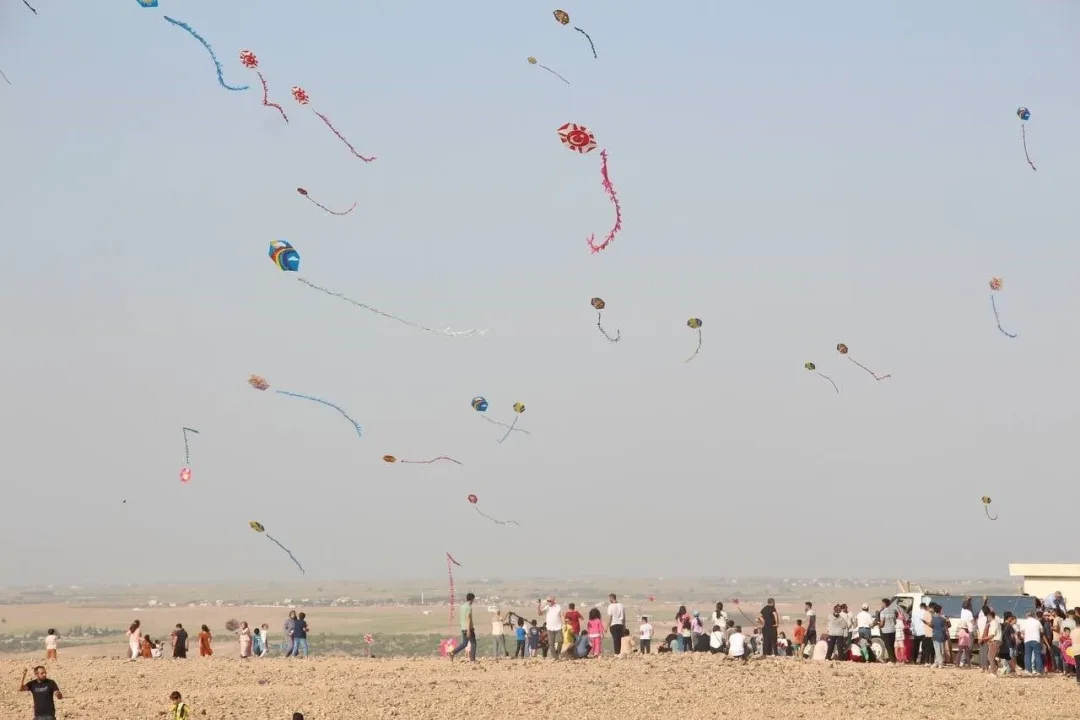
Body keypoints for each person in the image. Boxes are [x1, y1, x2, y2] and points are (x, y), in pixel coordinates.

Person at [450, 592, 477, 661]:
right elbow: (468, 619)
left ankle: (452, 652)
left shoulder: (462, 606)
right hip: (468, 628)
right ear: (472, 599)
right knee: (473, 643)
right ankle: (472, 659)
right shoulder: (468, 607)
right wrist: (468, 630)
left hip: (463, 628)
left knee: (464, 643)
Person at [931, 603, 947, 668]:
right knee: (941, 650)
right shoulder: (942, 619)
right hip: (942, 636)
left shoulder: (933, 619)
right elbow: (945, 627)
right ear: (940, 610)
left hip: (935, 635)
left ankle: (937, 662)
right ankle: (940, 663)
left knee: (937, 650)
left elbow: (932, 627)